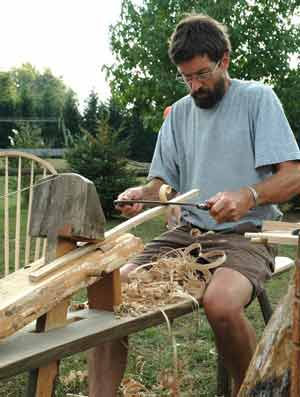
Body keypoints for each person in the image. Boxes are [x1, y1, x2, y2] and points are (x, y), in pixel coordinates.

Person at [89, 14, 300, 396]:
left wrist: (247, 196)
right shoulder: (179, 113)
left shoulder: (257, 99)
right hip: (184, 237)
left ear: (224, 60)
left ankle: (250, 390)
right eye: (186, 77)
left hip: (246, 236)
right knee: (110, 296)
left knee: (220, 304)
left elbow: (293, 176)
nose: (194, 86)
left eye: (202, 74)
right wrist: (143, 194)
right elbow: (160, 182)